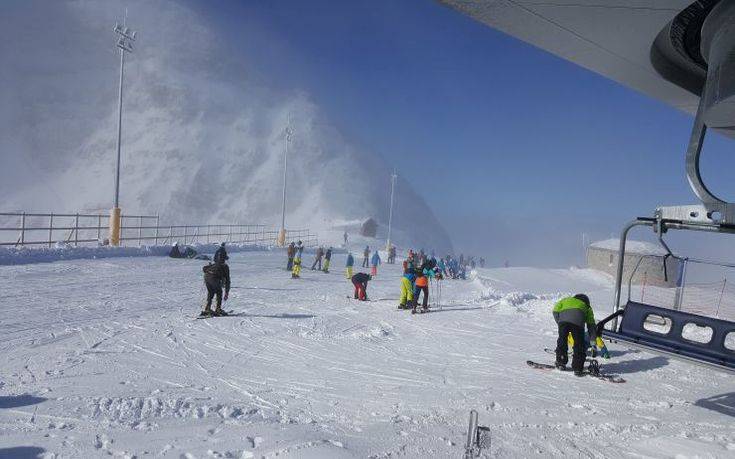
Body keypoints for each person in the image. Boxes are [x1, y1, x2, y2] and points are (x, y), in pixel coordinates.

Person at [552, 294, 598, 376]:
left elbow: (555, 310)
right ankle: (578, 368)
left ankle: (560, 362)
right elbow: (591, 326)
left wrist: (560, 322)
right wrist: (593, 344)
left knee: (562, 340)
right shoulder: (587, 307)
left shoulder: (566, 299)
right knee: (579, 344)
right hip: (578, 323)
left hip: (563, 321)